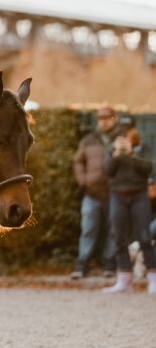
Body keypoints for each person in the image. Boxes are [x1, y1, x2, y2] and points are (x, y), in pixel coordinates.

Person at [102, 125, 156, 295]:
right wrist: (117, 154)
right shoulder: (112, 150)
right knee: (119, 237)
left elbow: (147, 168)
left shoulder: (141, 149)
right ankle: (124, 280)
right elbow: (107, 170)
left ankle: (153, 278)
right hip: (117, 196)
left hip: (139, 196)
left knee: (145, 237)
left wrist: (130, 154)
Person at [70, 106, 119, 279]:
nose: (104, 122)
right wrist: (83, 181)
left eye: (108, 118)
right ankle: (82, 266)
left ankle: (109, 265)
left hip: (115, 193)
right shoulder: (88, 140)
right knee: (88, 230)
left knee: (113, 231)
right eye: (101, 119)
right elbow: (78, 161)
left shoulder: (120, 138)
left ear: (115, 119)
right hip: (91, 194)